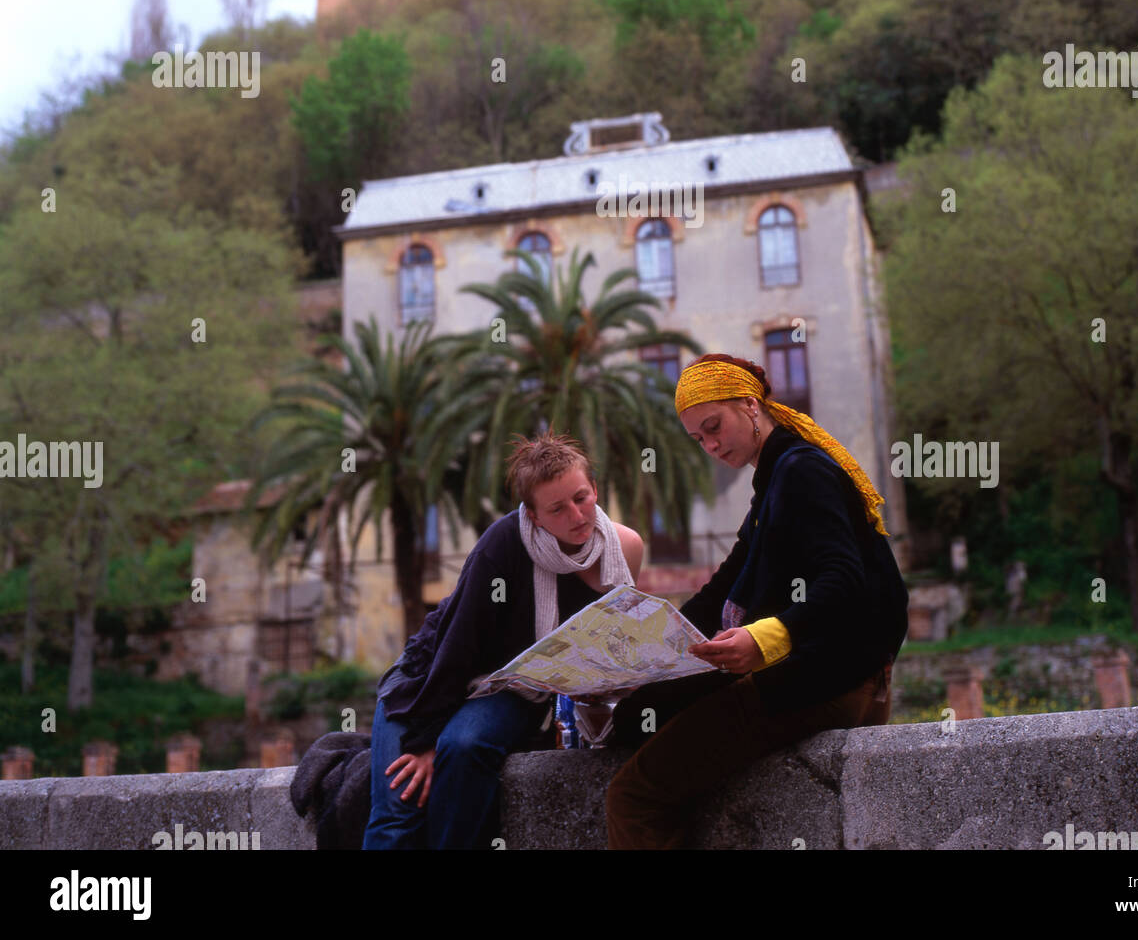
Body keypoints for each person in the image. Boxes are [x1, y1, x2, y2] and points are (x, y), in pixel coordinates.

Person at [605, 353, 909, 849]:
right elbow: (724, 585)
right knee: (640, 713)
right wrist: (642, 654)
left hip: (829, 680)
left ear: (750, 405)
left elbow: (844, 580)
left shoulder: (801, 472)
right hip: (824, 673)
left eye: (714, 426)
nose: (711, 445)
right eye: (698, 439)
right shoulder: (774, 478)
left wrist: (766, 638)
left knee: (633, 795)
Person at [363, 432, 643, 849]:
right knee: (400, 803)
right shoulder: (502, 546)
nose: (577, 515)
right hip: (426, 679)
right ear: (532, 516)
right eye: (557, 508)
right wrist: (425, 742)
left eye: (581, 498)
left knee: (465, 746)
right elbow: (457, 646)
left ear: (595, 489)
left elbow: (606, 641)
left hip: (513, 687)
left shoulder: (625, 548)